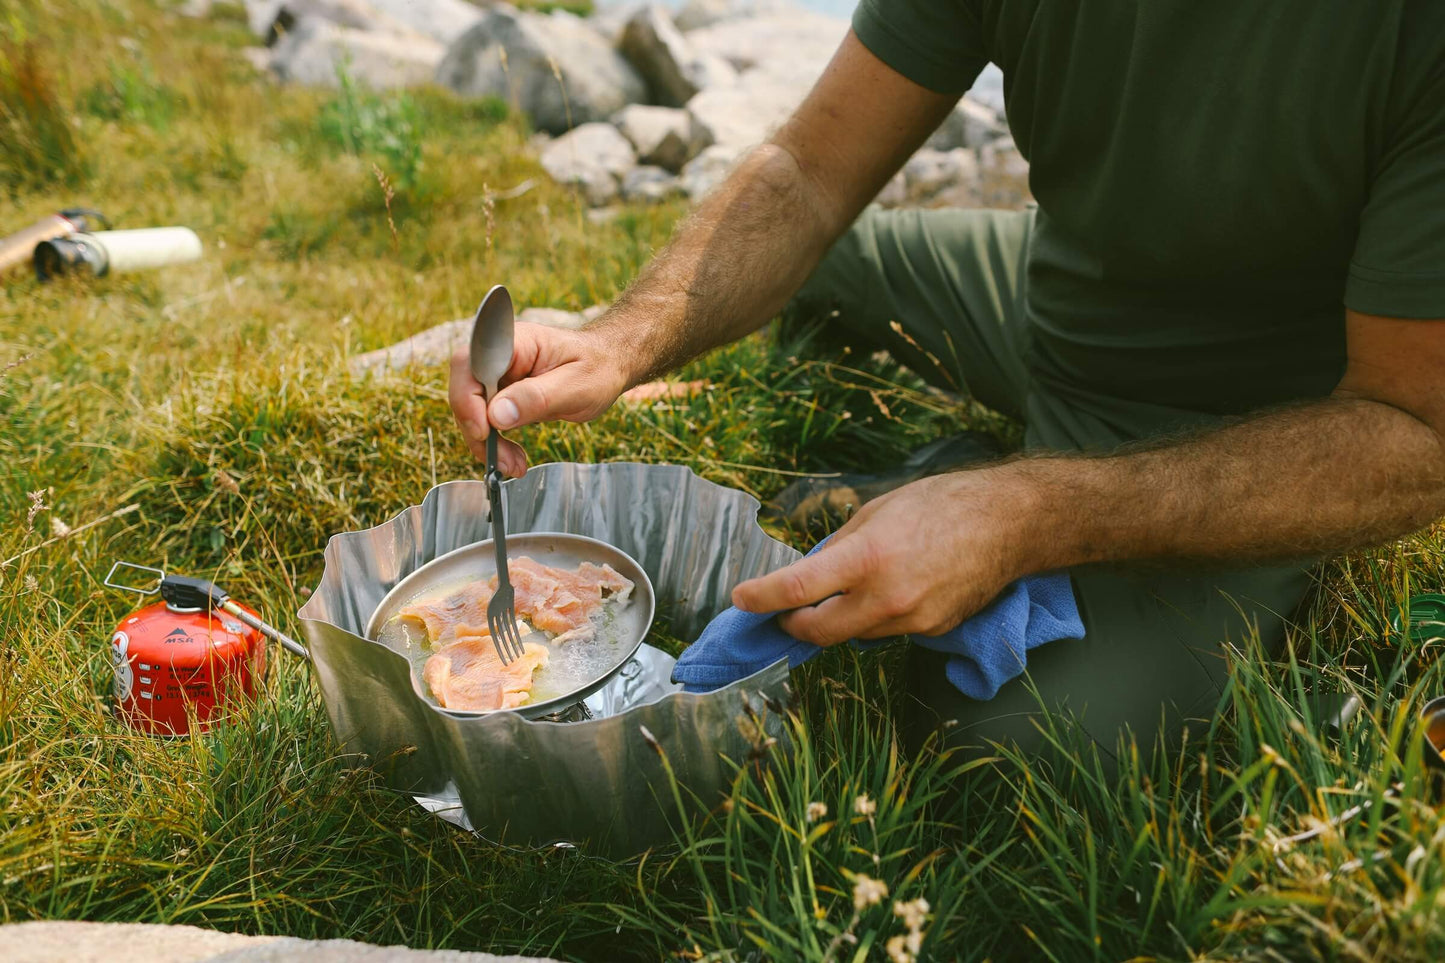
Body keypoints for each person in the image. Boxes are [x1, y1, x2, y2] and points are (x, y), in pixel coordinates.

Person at [449, 1, 1445, 760]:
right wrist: (620, 338)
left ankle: (970, 484)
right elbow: (806, 173)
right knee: (818, 269)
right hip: (1048, 303)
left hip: (1269, 420)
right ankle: (947, 474)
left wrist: (1020, 513)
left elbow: (1412, 432)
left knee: (1000, 743)